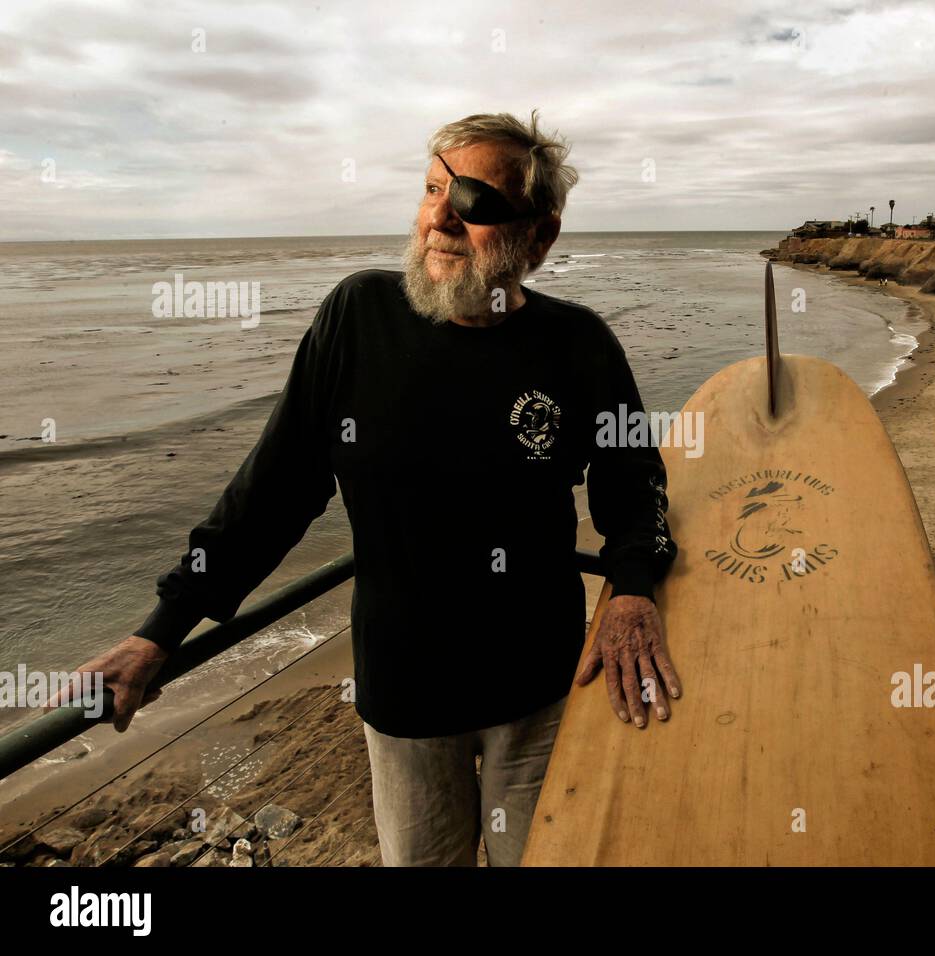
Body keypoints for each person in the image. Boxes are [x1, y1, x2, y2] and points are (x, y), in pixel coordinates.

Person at [65, 111, 680, 866]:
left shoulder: (579, 344)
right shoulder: (359, 317)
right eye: (431, 190)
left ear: (540, 238)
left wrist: (631, 587)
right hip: (403, 691)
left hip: (544, 687)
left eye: (475, 202)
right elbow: (276, 490)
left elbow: (634, 480)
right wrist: (162, 629)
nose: (439, 220)